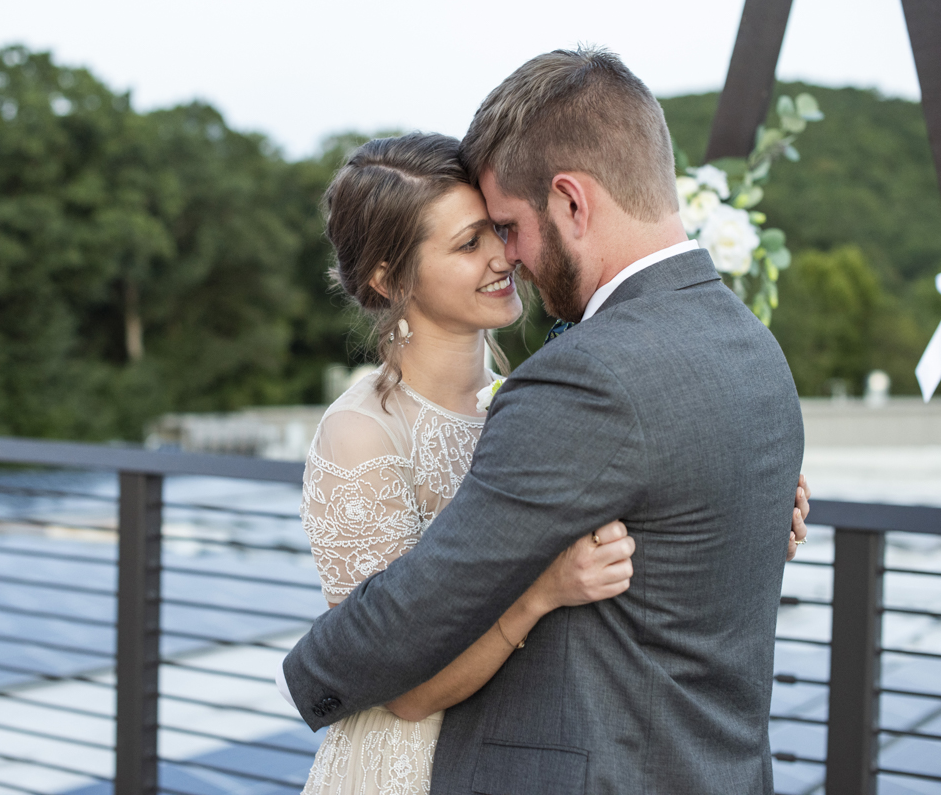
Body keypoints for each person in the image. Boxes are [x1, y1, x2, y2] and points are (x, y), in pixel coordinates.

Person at [285, 48, 809, 795]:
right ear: (389, 279)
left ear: (570, 202)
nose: (509, 257)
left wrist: (306, 675)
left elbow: (430, 598)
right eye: (474, 239)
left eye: (505, 227)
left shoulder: (583, 379)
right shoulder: (752, 346)